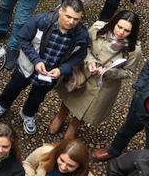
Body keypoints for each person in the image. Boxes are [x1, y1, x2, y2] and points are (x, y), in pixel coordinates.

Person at [0, 0, 89, 136]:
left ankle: (28, 114)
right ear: (60, 11)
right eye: (68, 16)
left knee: (38, 97)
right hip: (26, 67)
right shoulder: (41, 21)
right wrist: (36, 60)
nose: (71, 22)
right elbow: (23, 38)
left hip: (50, 75)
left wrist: (62, 69)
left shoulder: (81, 34)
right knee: (13, 88)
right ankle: (2, 105)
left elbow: (79, 56)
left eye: (76, 19)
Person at [52, 10, 141, 140]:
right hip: (84, 72)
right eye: (119, 26)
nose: (121, 32)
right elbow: (84, 46)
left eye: (127, 31)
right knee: (71, 94)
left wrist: (110, 72)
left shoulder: (134, 50)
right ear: (113, 23)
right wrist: (91, 61)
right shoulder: (98, 29)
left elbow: (129, 72)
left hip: (103, 85)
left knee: (87, 107)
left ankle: (74, 126)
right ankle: (61, 115)